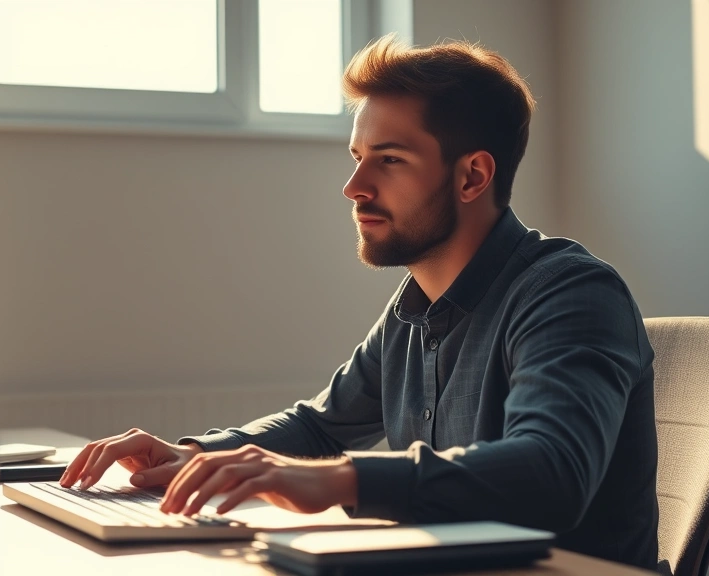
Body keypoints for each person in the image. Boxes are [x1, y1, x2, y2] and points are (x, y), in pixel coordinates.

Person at [60, 35, 659, 571]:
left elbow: (551, 473)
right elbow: (320, 424)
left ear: (473, 177)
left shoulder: (570, 294)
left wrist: (337, 480)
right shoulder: (415, 307)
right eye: (357, 158)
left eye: (390, 160)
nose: (354, 187)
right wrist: (194, 454)